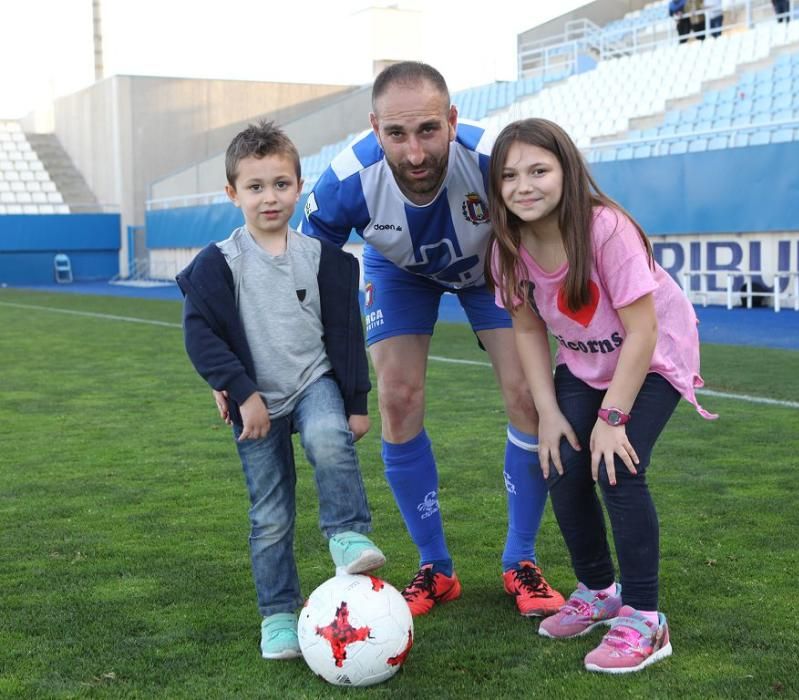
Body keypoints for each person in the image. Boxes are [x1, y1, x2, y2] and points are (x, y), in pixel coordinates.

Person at [299, 61, 565, 618]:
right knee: (397, 396)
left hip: (494, 267)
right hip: (399, 272)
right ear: (375, 129)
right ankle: (436, 567)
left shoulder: (496, 157)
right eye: (396, 134)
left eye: (427, 130)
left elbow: (567, 217)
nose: (415, 153)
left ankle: (521, 559)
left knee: (528, 398)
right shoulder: (345, 182)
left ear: (451, 119)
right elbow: (304, 279)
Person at [487, 118, 716, 674]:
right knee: (561, 460)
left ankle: (644, 617)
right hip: (587, 365)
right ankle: (598, 590)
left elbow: (643, 332)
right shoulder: (507, 250)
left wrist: (612, 418)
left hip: (655, 356)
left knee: (617, 466)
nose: (525, 185)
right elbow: (527, 331)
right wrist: (546, 413)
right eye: (510, 175)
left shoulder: (605, 229)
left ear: (567, 171)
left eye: (539, 170)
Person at [176, 121, 386, 660]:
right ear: (232, 194)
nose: (269, 197)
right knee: (269, 515)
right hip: (256, 403)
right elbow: (201, 337)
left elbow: (344, 335)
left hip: (312, 380)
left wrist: (356, 403)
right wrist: (238, 389)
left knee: (327, 437)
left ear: (298, 186)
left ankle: (346, 534)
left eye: (281, 184)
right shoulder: (218, 265)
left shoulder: (326, 261)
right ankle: (277, 616)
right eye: (255, 186)